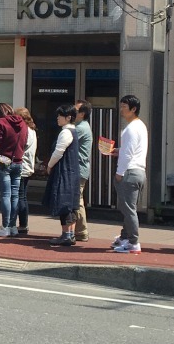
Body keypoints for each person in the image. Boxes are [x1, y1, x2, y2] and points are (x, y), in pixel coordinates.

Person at [109, 95, 148, 254]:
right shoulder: (140, 126)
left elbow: (128, 154)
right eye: (121, 105)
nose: (121, 109)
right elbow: (130, 151)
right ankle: (126, 237)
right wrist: (119, 151)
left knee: (128, 209)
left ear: (134, 109)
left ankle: (133, 242)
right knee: (128, 208)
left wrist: (119, 172)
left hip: (130, 172)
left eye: (125, 106)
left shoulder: (131, 128)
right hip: (139, 171)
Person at [43, 104, 81, 246]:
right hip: (72, 171)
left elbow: (58, 152)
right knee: (70, 204)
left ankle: (66, 235)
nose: (57, 118)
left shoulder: (65, 133)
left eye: (60, 115)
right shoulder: (73, 131)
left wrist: (49, 165)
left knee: (63, 202)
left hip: (64, 171)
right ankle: (69, 235)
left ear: (68, 117)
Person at [0, 102, 28, 237]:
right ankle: (13, 226)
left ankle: (5, 226)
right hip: (18, 162)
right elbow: (24, 142)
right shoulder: (23, 124)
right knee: (15, 196)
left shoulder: (1, 122)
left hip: (3, 161)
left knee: (6, 195)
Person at [14, 107, 37, 234]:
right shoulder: (32, 130)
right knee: (22, 196)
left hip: (22, 166)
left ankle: (22, 225)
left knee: (19, 197)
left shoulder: (25, 130)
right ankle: (23, 224)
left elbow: (20, 146)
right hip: (28, 166)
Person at [74, 99, 93, 242]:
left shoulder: (80, 128)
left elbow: (67, 142)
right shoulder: (82, 126)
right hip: (82, 168)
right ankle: (79, 230)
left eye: (75, 111)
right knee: (78, 198)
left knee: (77, 199)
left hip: (78, 168)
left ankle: (81, 231)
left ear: (82, 114)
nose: (73, 113)